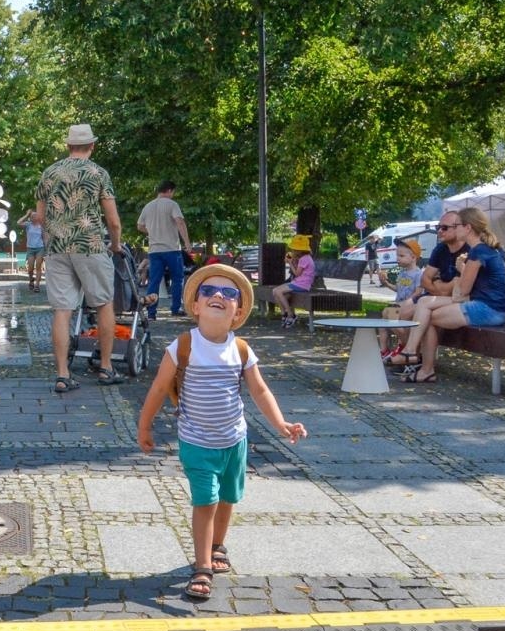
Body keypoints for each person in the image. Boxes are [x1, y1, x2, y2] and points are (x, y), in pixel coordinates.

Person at [137, 264, 306, 601]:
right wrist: (144, 425)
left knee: (228, 497)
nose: (218, 296)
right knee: (206, 501)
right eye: (209, 291)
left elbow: (259, 391)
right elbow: (158, 389)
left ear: (237, 312)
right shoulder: (182, 346)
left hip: (234, 441)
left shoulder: (241, 349)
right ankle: (202, 567)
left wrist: (281, 423)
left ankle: (217, 546)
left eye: (229, 294)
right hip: (197, 442)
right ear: (196, 306)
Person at [37, 123, 124, 393]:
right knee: (103, 304)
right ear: (92, 146)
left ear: (68, 146)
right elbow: (113, 220)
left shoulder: (49, 173)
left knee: (62, 310)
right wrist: (116, 245)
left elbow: (39, 217)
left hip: (58, 248)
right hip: (91, 246)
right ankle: (106, 367)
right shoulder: (98, 173)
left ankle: (63, 375)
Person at [387, 206, 505, 384]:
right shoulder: (476, 249)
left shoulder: (478, 251)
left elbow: (463, 291)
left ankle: (416, 358)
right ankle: (417, 360)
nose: (443, 231)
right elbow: (432, 282)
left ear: (467, 228)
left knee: (426, 313)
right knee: (415, 308)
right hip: (481, 304)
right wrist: (451, 283)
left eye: (455, 225)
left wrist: (461, 269)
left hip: (488, 309)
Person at [137, 181, 190, 318]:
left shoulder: (148, 206)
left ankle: (151, 312)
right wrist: (187, 242)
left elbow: (139, 225)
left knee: (154, 281)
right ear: (170, 191)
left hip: (154, 250)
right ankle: (175, 308)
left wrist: (152, 232)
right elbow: (179, 221)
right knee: (177, 279)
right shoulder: (172, 205)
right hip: (172, 248)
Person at [377, 237, 425, 356]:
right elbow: (398, 289)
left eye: (401, 256)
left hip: (409, 307)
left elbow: (418, 292)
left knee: (393, 321)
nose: (397, 258)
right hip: (398, 305)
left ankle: (405, 346)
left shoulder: (418, 274)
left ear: (413, 257)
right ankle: (383, 349)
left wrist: (407, 303)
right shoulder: (402, 273)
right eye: (397, 255)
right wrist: (386, 283)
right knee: (383, 322)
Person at [270, 234, 316, 328]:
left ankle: (290, 314)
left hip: (302, 284)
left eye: (295, 249)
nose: (293, 251)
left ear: (300, 250)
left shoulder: (304, 259)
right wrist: (293, 261)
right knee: (275, 291)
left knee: (278, 291)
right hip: (299, 283)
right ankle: (284, 314)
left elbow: (297, 274)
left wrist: (290, 263)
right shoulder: (305, 258)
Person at [16, 207, 45, 292]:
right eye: (32, 216)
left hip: (40, 248)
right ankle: (31, 280)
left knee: (38, 267)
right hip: (30, 249)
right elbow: (18, 222)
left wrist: (46, 249)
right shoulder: (28, 225)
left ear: (38, 217)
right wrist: (27, 214)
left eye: (35, 216)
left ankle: (37, 286)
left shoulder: (41, 227)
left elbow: (44, 238)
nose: (33, 217)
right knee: (30, 268)